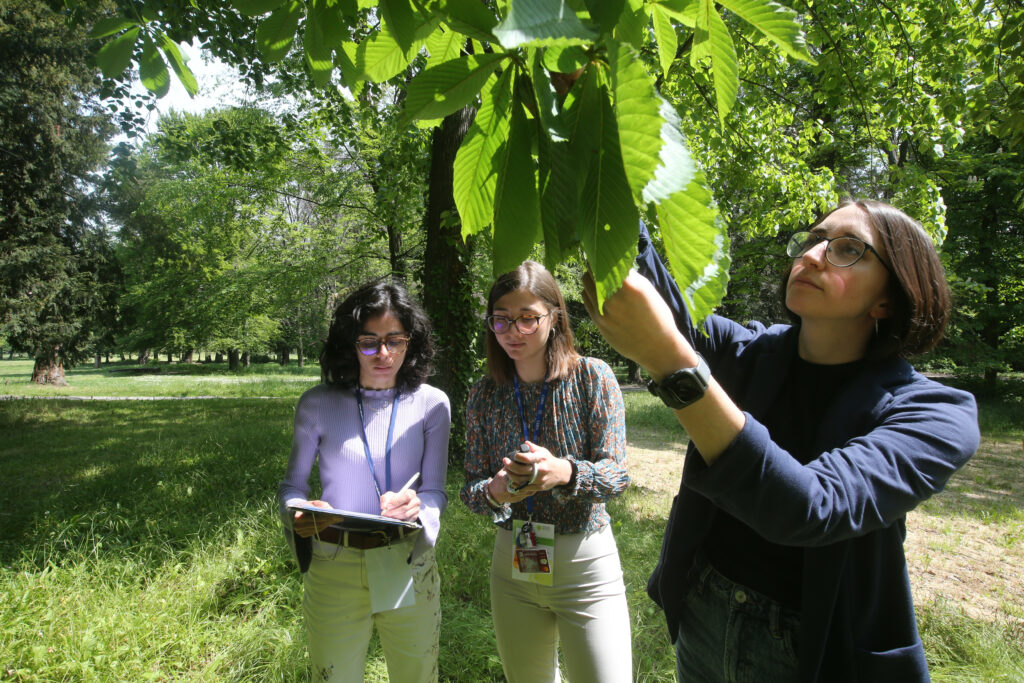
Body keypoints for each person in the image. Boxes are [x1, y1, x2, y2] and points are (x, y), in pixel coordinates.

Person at [582, 199, 980, 682]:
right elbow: (664, 307)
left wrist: (675, 369)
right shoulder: (750, 350)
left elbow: (812, 508)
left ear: (888, 300)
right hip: (704, 616)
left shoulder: (935, 414)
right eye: (813, 240)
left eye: (848, 249)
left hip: (817, 654)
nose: (812, 255)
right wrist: (602, 172)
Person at [460, 260, 633, 683]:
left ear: (554, 317)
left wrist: (566, 473)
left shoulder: (593, 378)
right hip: (515, 564)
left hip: (585, 565)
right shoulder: (485, 393)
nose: (513, 332)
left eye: (527, 319)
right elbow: (470, 489)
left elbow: (617, 476)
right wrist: (498, 491)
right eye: (501, 320)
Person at [278, 280, 451, 683]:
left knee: (417, 676)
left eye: (395, 340)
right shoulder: (316, 404)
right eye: (368, 342)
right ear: (349, 344)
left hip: (407, 562)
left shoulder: (432, 405)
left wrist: (420, 508)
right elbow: (291, 487)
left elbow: (435, 491)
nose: (383, 354)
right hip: (333, 562)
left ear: (412, 343)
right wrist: (298, 513)